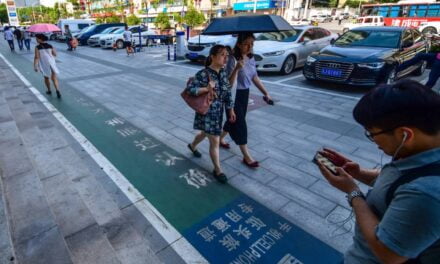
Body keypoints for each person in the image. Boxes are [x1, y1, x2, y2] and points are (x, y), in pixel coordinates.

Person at [316, 79, 440, 264]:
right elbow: (400, 181)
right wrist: (358, 173)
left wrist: (353, 192)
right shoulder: (420, 149)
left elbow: (389, 253)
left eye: (372, 133)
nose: (373, 141)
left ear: (404, 134)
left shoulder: (427, 194)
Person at [220, 33, 273, 168]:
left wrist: (266, 93)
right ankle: (246, 156)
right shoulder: (232, 59)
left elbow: (254, 77)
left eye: (252, 44)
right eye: (246, 44)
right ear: (238, 44)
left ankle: (220, 138)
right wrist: (237, 68)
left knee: (235, 119)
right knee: (240, 124)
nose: (250, 47)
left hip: (244, 94)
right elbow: (228, 84)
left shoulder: (250, 58)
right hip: (232, 94)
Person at [187, 45, 236, 183]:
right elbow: (190, 90)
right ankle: (218, 170)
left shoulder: (224, 73)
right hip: (207, 111)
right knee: (214, 139)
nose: (225, 58)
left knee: (205, 133)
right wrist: (206, 89)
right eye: (222, 55)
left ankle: (192, 145)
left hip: (218, 112)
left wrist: (230, 109)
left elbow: (227, 92)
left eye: (227, 55)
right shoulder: (203, 74)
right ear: (213, 57)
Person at [33, 34, 61, 98]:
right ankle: (57, 90)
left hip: (44, 63)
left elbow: (37, 57)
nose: (36, 40)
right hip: (52, 63)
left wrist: (35, 66)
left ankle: (49, 90)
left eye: (37, 38)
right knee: (54, 77)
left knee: (46, 77)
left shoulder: (37, 47)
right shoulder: (50, 45)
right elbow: (55, 54)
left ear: (40, 39)